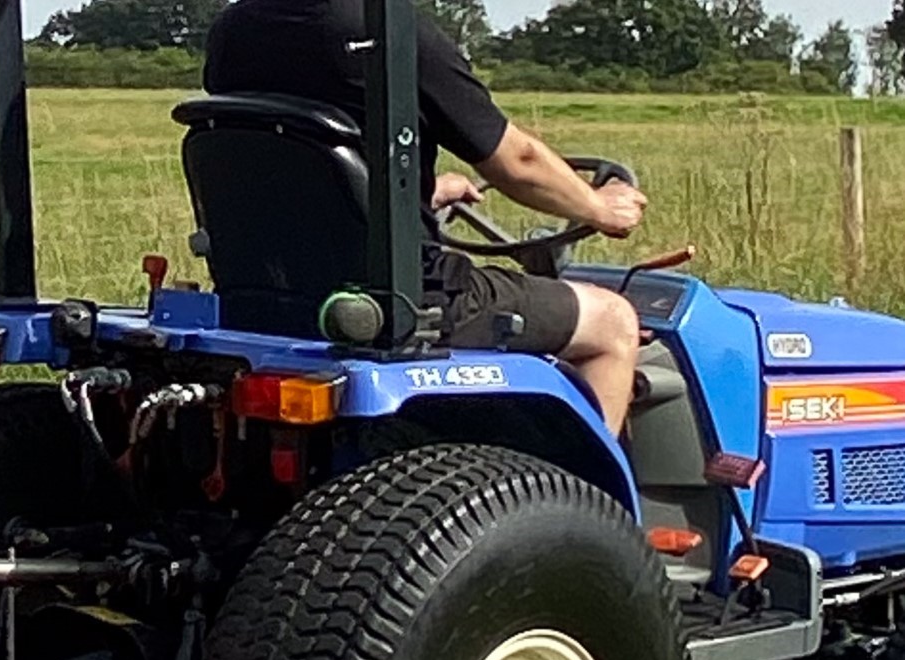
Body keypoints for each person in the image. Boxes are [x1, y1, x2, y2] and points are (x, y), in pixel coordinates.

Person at [204, 0, 650, 434]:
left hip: (267, 292)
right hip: (404, 300)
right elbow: (519, 162)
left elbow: (285, 157)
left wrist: (421, 193)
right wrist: (599, 206)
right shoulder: (388, 29)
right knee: (614, 321)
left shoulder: (234, 30)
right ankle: (591, 506)